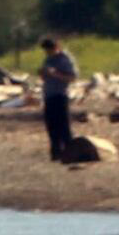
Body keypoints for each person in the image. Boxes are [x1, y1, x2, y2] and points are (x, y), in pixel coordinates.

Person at [39, 35, 80, 163]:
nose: (48, 53)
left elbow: (72, 77)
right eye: (46, 51)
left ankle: (70, 152)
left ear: (56, 47)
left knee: (63, 125)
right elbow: (45, 77)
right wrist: (43, 73)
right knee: (51, 125)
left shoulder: (65, 59)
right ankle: (55, 152)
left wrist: (55, 74)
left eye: (50, 50)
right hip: (49, 95)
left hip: (60, 95)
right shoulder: (49, 59)